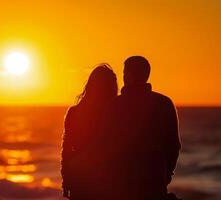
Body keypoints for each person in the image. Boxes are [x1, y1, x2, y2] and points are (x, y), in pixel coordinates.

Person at [97, 56, 181, 200]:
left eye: (125, 73)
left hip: (121, 180)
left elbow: (103, 144)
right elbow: (173, 145)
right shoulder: (164, 103)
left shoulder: (114, 105)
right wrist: (166, 174)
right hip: (154, 177)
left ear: (127, 75)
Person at [61, 64, 118, 200]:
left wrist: (66, 178)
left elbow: (66, 150)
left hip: (80, 175)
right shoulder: (115, 112)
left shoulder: (74, 112)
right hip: (106, 178)